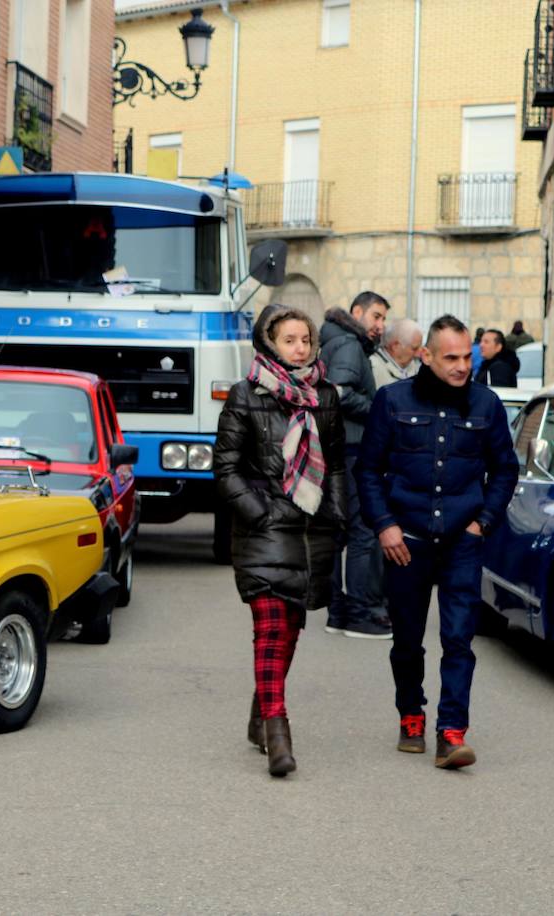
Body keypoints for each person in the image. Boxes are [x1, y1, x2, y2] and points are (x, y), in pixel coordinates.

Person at [355, 315, 518, 770]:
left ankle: (451, 732)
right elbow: (367, 470)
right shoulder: (392, 401)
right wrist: (384, 524)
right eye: (452, 357)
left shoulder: (487, 405)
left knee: (459, 639)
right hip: (405, 541)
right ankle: (411, 714)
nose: (462, 366)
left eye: (468, 356)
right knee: (407, 640)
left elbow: (505, 470)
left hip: (462, 543)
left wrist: (482, 522)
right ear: (426, 355)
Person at [213, 304, 346, 778]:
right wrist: (261, 513)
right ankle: (277, 732)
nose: (300, 348)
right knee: (270, 629)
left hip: (311, 530)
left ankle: (258, 713)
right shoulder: (244, 396)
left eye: (306, 340)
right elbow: (225, 470)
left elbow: (335, 463)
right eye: (290, 340)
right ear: (270, 342)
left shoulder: (325, 395)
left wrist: (338, 515)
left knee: (289, 633)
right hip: (264, 530)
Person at [318, 291, 392, 638]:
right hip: (352, 451)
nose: (380, 325)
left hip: (339, 449)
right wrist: (378, 407)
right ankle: (359, 615)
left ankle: (337, 613)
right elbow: (341, 393)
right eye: (376, 316)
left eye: (383, 319)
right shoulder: (349, 344)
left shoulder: (338, 341)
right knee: (363, 532)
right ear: (357, 312)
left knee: (339, 534)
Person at [371, 317, 423, 389]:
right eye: (414, 349)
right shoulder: (373, 368)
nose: (419, 354)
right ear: (395, 346)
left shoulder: (418, 366)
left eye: (421, 347)